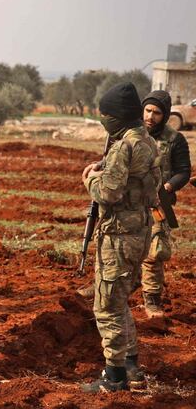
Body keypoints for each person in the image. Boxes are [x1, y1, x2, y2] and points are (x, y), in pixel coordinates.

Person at [80, 82, 160, 393]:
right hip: (139, 231)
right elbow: (139, 183)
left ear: (117, 117)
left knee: (107, 306)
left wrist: (90, 180)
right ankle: (131, 365)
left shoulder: (124, 146)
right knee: (120, 300)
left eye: (105, 114)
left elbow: (109, 192)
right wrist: (106, 167)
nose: (102, 119)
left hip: (119, 235)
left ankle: (113, 379)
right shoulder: (147, 141)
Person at [139, 90, 191, 318]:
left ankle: (152, 302)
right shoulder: (131, 135)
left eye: (157, 112)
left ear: (165, 115)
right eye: (148, 110)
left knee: (154, 253)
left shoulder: (174, 139)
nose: (151, 116)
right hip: (129, 205)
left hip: (158, 206)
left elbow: (183, 172)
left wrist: (168, 187)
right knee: (119, 249)